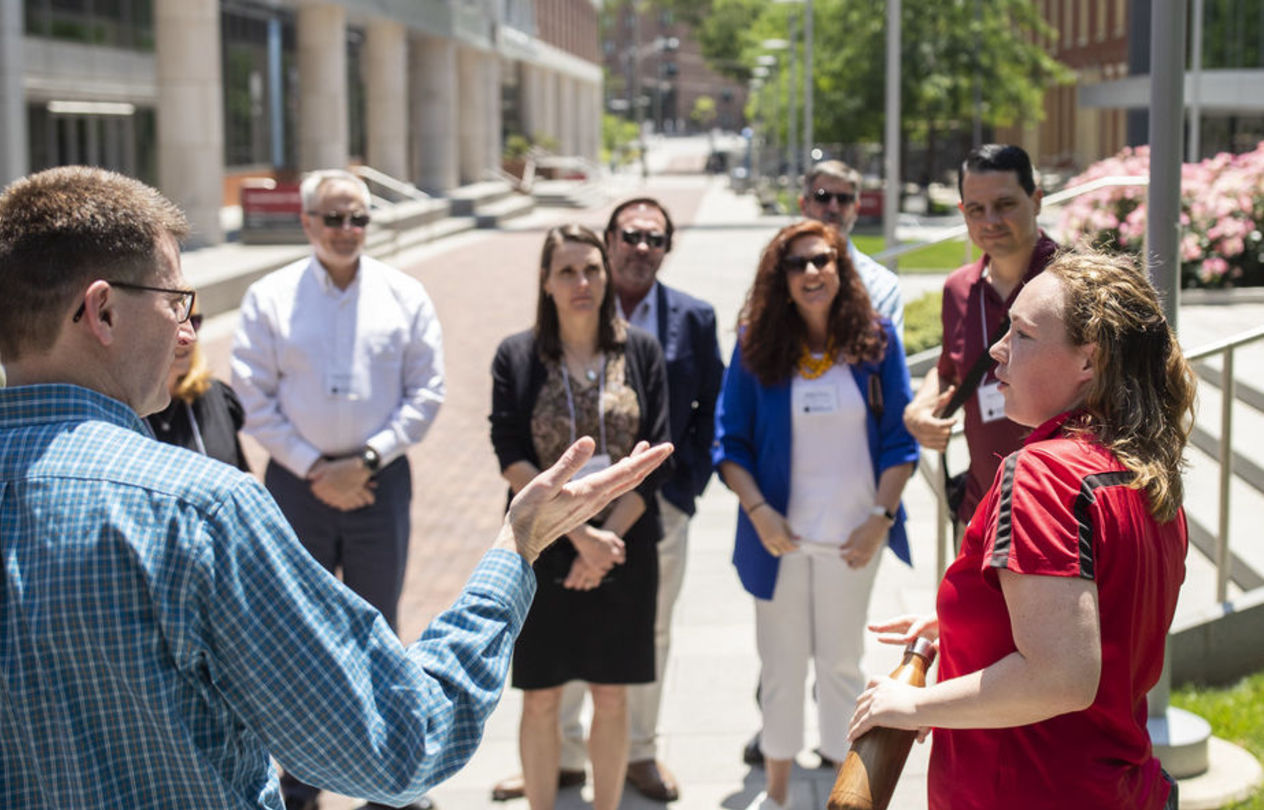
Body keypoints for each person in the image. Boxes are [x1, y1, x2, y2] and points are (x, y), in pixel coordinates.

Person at [0, 165, 674, 808]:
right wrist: (513, 547)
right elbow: (400, 738)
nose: (190, 325)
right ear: (102, 311)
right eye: (174, 298)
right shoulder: (196, 510)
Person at [849, 250, 1195, 810]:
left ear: (1090, 361)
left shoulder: (1045, 473)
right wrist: (970, 619)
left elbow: (1060, 677)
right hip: (1120, 788)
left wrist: (909, 705)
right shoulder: (1144, 469)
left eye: (1023, 333)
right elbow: (1105, 613)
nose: (996, 349)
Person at [491, 199, 722, 805]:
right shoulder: (516, 356)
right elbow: (509, 453)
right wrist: (578, 537)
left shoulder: (639, 351)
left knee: (612, 693)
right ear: (545, 282)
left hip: (626, 541)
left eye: (591, 270)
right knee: (541, 696)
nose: (582, 283)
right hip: (541, 543)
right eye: (566, 272)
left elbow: (654, 455)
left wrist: (606, 540)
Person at [230, 167, 446, 810]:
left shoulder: (404, 295)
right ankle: (301, 786)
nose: (347, 230)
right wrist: (316, 468)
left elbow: (427, 391)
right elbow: (252, 395)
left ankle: (388, 783)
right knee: (301, 637)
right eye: (334, 218)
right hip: (299, 488)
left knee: (380, 634)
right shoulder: (269, 297)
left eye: (359, 219)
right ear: (307, 223)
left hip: (384, 480)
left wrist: (369, 459)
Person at [713, 220, 917, 810]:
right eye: (796, 264)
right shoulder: (755, 346)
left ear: (841, 267)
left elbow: (900, 442)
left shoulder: (875, 341)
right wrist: (759, 513)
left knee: (841, 665)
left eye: (822, 260)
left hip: (853, 539)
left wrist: (881, 515)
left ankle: (842, 791)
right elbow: (730, 445)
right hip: (779, 540)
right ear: (780, 278)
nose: (811, 272)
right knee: (779, 666)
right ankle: (777, 797)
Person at [904, 144, 1060, 527]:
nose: (990, 220)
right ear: (963, 212)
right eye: (976, 209)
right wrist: (918, 410)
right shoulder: (959, 289)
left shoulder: (1075, 282)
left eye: (1005, 204)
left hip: (1061, 516)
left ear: (1036, 200)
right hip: (983, 514)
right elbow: (948, 370)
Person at [799, 160, 903, 333]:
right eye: (823, 197)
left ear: (856, 208)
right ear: (804, 204)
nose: (833, 207)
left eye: (844, 199)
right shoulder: (776, 274)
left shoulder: (883, 286)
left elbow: (887, 355)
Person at [146, 305, 250, 471]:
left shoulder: (215, 395)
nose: (189, 336)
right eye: (175, 324)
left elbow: (244, 473)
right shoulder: (127, 413)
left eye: (193, 322)